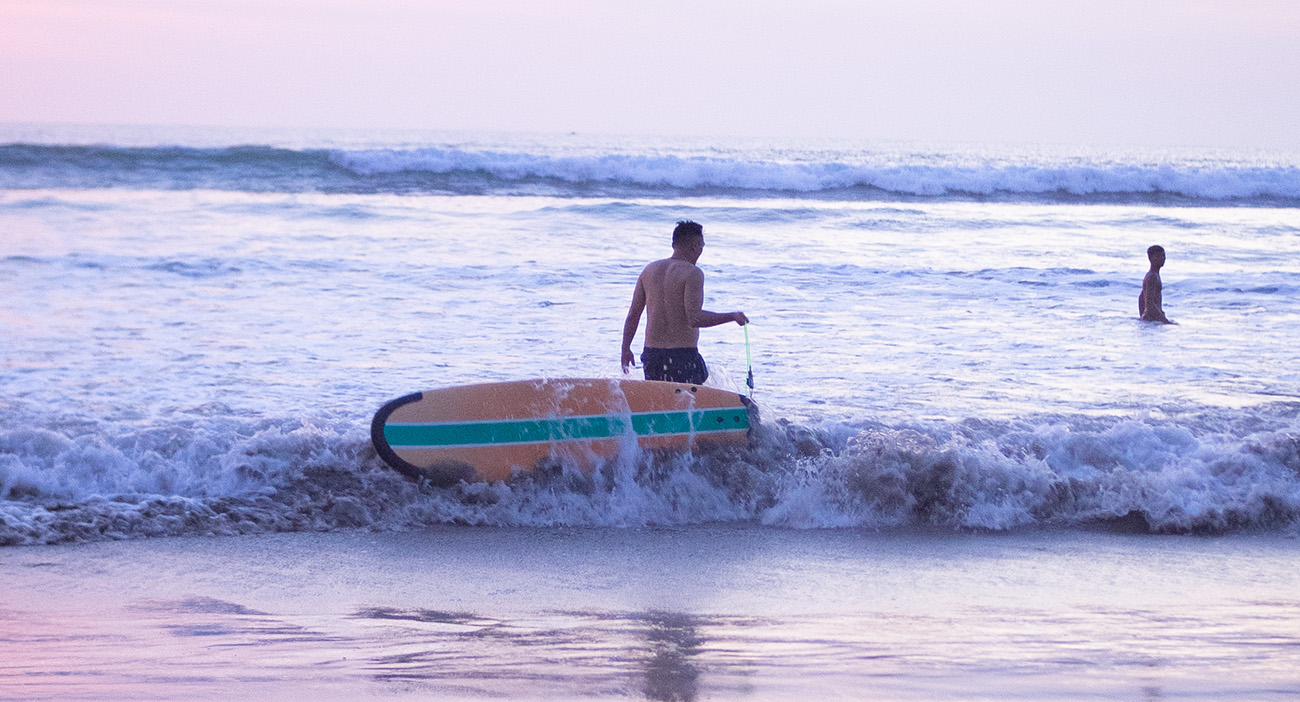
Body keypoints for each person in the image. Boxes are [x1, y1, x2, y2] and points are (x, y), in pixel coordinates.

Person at [621, 221, 748, 384]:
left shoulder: (649, 270)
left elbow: (633, 315)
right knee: (689, 403)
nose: (701, 251)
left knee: (661, 404)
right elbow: (695, 319)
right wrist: (732, 316)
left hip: (652, 355)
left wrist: (625, 348)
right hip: (682, 356)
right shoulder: (692, 273)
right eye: (702, 246)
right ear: (695, 245)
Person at [1139, 244, 1173, 323]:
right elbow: (1149, 303)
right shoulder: (1152, 277)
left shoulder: (1154, 275)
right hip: (1152, 320)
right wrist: (1165, 321)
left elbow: (1141, 297)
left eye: (1163, 256)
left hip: (1152, 320)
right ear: (1150, 258)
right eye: (1158, 256)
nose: (1162, 259)